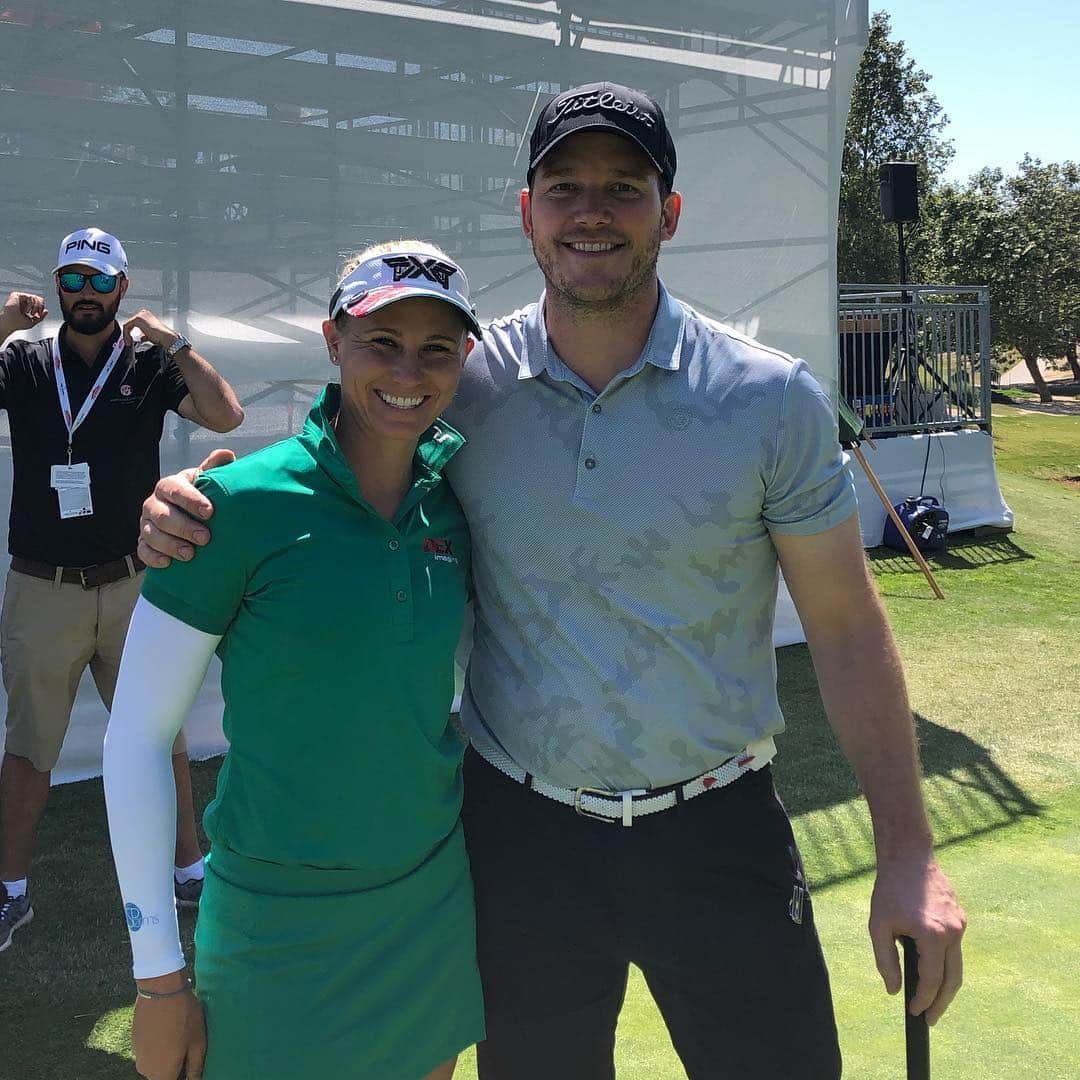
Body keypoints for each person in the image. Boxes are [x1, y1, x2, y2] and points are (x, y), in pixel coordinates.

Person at [139, 84, 966, 1078]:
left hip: (718, 826)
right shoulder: (464, 384)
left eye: (624, 187)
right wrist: (197, 498)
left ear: (669, 213)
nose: (592, 212)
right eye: (564, 185)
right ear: (527, 211)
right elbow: (345, 457)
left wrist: (909, 849)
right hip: (520, 838)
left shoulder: (768, 398)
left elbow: (844, 626)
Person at [104, 241, 486, 1080]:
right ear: (331, 340)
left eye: (435, 348)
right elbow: (136, 736)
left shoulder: (463, 503)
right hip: (272, 925)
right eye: (381, 341)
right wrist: (158, 981)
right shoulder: (230, 506)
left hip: (428, 904)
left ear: (465, 358)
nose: (407, 369)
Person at [0, 228, 243, 953]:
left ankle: (188, 869)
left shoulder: (147, 363)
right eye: (72, 278)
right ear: (59, 287)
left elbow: (226, 415)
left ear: (122, 290)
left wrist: (176, 343)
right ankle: (10, 891)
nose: (84, 293)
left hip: (134, 582)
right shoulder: (22, 359)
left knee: (160, 734)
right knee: (29, 747)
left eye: (100, 280)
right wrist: (4, 322)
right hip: (43, 585)